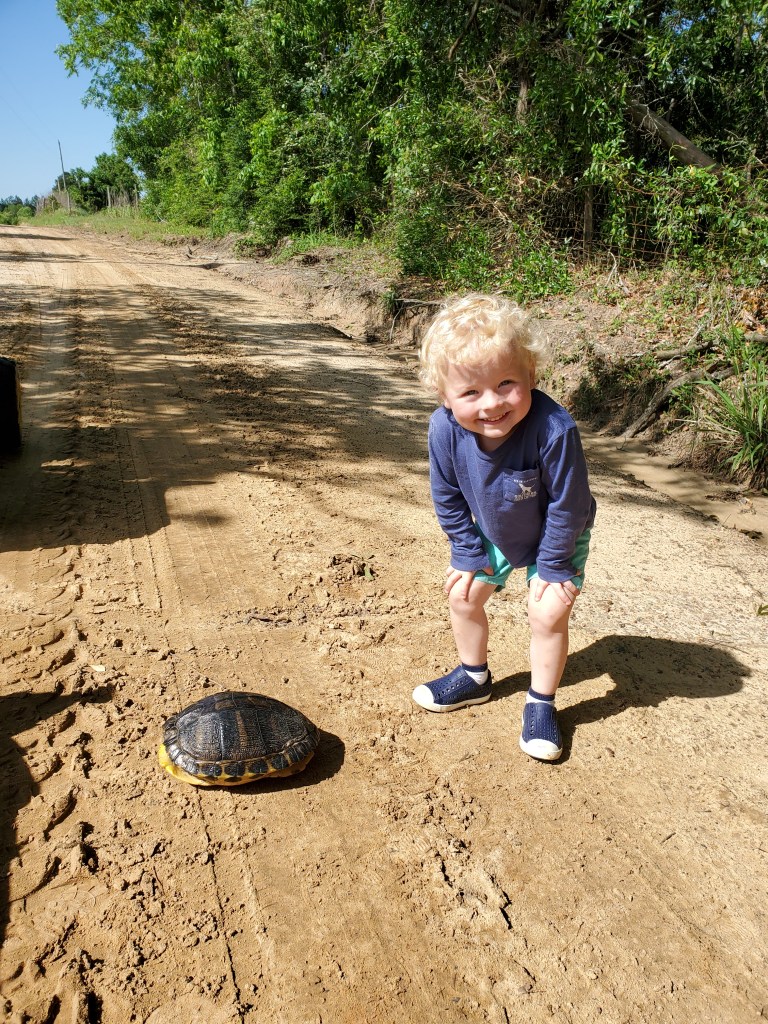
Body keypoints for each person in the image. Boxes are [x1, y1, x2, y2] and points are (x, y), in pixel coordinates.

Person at [412, 294, 596, 761]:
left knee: (547, 613)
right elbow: (447, 496)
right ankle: (474, 677)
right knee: (463, 594)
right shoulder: (443, 430)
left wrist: (553, 566)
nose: (491, 403)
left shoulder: (554, 429)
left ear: (531, 375)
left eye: (506, 383)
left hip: (559, 532)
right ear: (445, 396)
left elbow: (569, 505)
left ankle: (541, 702)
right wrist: (466, 551)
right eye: (470, 393)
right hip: (496, 528)